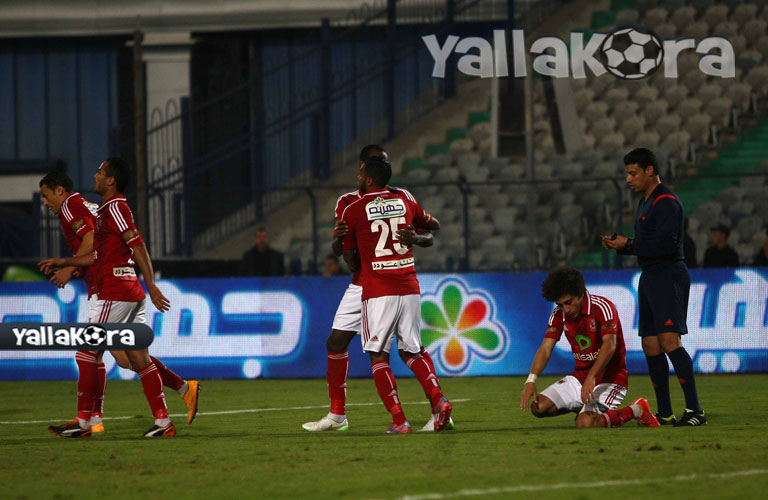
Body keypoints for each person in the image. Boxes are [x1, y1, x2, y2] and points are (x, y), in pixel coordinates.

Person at [39, 158, 196, 437]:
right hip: (124, 289)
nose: (95, 175)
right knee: (133, 358)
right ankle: (165, 419)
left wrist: (152, 285)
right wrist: (67, 263)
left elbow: (137, 244)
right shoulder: (102, 211)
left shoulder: (108, 207)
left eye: (100, 172)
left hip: (114, 290)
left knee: (87, 352)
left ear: (111, 180)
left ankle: (85, 422)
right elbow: (98, 254)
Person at [302, 145, 446, 433]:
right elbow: (339, 249)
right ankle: (337, 416)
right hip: (363, 284)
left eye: (384, 161)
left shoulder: (399, 196)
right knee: (336, 342)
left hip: (378, 284)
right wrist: (339, 240)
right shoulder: (346, 202)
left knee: (396, 350)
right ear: (364, 166)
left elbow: (429, 234)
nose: (383, 164)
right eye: (377, 161)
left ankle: (418, 415)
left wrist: (415, 238)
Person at [339, 155, 452, 434]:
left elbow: (350, 260)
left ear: (369, 179)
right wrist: (414, 238)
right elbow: (434, 226)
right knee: (412, 349)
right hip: (409, 285)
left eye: (361, 173)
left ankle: (399, 420)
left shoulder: (353, 210)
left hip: (378, 290)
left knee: (378, 355)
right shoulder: (405, 201)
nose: (358, 177)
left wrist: (357, 251)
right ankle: (439, 401)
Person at [602, 148, 705, 426]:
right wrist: (623, 246)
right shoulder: (645, 202)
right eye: (627, 173)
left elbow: (668, 245)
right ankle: (665, 412)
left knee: (670, 341)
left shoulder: (666, 202)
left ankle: (695, 411)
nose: (628, 179)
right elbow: (648, 244)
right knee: (650, 344)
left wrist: (629, 243)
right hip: (650, 275)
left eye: (633, 173)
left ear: (650, 171)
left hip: (668, 274)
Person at [520, 267, 659, 428]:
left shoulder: (602, 308)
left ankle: (638, 409)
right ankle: (584, 409)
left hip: (610, 379)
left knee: (585, 423)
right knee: (538, 407)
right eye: (560, 305)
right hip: (580, 378)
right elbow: (545, 348)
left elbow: (610, 344)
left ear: (580, 294)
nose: (565, 309)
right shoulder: (559, 314)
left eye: (568, 303)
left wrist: (591, 377)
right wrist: (531, 380)